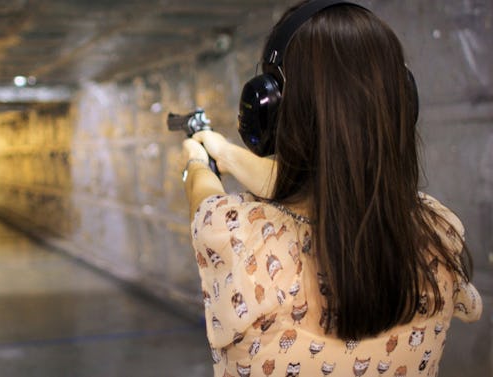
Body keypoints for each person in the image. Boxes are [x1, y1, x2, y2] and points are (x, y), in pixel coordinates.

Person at [180, 1, 482, 376]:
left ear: (272, 111)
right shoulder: (438, 232)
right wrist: (224, 150)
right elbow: (329, 192)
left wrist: (198, 157)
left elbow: (205, 193)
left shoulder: (236, 234)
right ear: (402, 104)